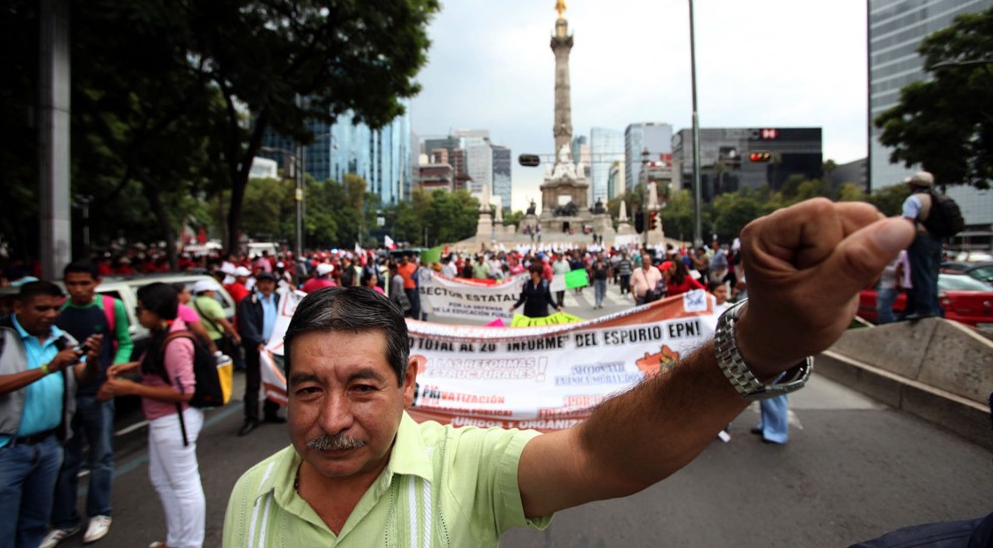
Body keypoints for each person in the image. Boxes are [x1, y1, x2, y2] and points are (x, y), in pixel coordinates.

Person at [222, 199, 916, 546]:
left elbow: (600, 454)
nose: (332, 418)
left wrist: (758, 345)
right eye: (307, 389)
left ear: (410, 384)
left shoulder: (462, 467)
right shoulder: (248, 496)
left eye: (363, 387)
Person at [0, 281, 101, 548]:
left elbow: (83, 376)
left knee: (34, 529)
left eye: (55, 308)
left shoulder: (61, 339)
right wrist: (46, 369)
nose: (51, 315)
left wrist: (93, 360)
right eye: (41, 309)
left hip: (47, 448)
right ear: (18, 307)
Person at [101, 283, 206, 548]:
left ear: (156, 310)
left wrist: (132, 388)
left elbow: (184, 392)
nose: (137, 315)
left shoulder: (176, 342)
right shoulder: (163, 334)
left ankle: (190, 544)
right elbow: (159, 366)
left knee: (184, 486)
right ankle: (176, 540)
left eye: (140, 309)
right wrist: (133, 368)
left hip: (174, 421)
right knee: (163, 481)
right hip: (164, 420)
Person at [43, 260, 134, 548]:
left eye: (85, 283)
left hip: (98, 393)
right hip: (64, 396)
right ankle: (64, 520)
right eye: (72, 284)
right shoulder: (57, 311)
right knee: (65, 459)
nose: (79, 289)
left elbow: (124, 342)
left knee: (101, 456)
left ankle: (99, 512)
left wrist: (113, 374)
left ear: (96, 283)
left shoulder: (111, 307)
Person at [237, 272, 285, 437]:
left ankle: (271, 411)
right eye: (263, 282)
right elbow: (247, 324)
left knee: (274, 379)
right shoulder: (249, 302)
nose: (266, 286)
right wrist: (257, 342)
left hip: (275, 348)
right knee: (253, 383)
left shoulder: (279, 299)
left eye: (269, 282)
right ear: (257, 284)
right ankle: (251, 418)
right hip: (257, 348)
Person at [901, 171, 943, 320]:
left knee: (921, 274)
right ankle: (934, 308)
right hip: (937, 239)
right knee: (932, 275)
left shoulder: (914, 200)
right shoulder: (938, 198)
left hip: (920, 239)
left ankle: (924, 309)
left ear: (914, 185)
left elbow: (908, 223)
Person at [190, 280, 241, 360]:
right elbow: (223, 322)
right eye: (212, 291)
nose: (213, 293)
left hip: (199, 339)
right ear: (206, 292)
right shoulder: (211, 303)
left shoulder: (190, 304)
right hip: (216, 337)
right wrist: (235, 335)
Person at [877, 250, 910, 324]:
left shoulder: (902, 254)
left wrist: (883, 268)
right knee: (881, 307)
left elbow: (899, 269)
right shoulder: (886, 254)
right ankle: (885, 324)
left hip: (893, 284)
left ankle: (890, 323)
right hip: (884, 283)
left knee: (883, 307)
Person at [397, 255, 421, 319]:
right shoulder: (399, 267)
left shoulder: (412, 266)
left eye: (406, 259)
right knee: (405, 302)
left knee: (412, 301)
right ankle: (407, 314)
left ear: (408, 260)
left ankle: (413, 315)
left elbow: (417, 273)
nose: (404, 261)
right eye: (403, 260)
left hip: (411, 287)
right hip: (403, 287)